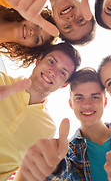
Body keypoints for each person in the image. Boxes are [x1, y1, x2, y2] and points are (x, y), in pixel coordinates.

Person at [14, 68, 111, 181]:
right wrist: (53, 168)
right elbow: (64, 176)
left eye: (94, 97)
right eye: (79, 98)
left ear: (105, 101)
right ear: (71, 103)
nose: (87, 105)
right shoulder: (68, 152)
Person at [0, 42, 81, 181]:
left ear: (64, 84)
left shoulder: (48, 129)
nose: (52, 72)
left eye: (62, 72)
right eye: (51, 62)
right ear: (38, 60)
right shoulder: (2, 80)